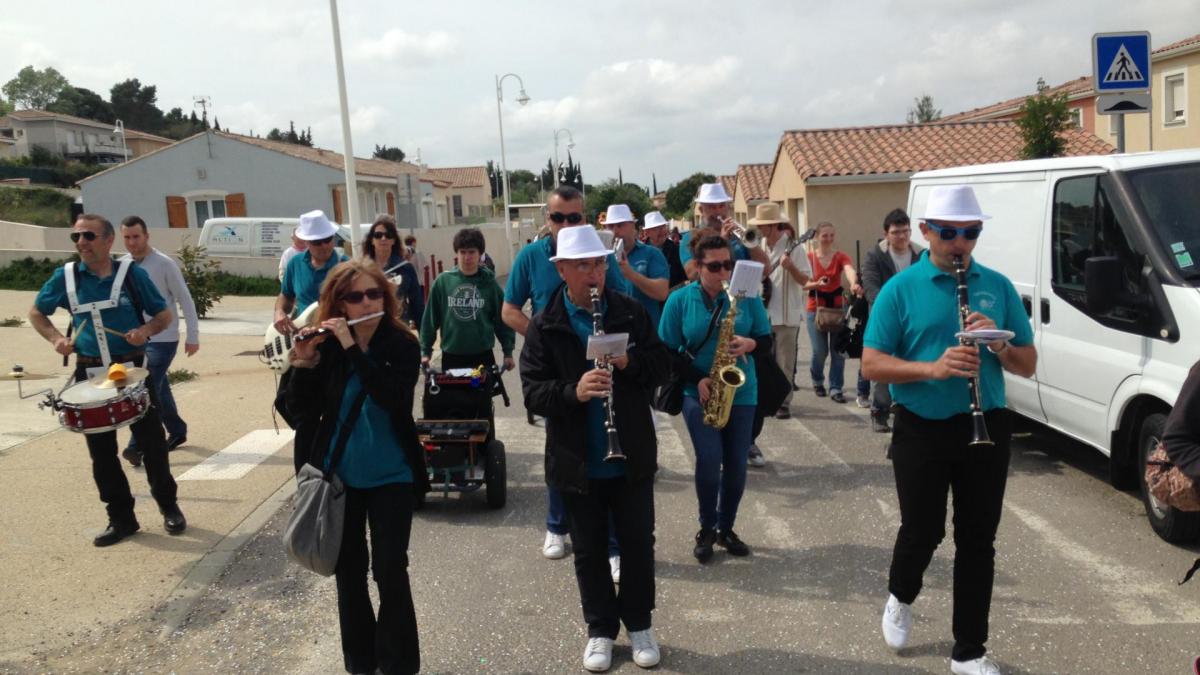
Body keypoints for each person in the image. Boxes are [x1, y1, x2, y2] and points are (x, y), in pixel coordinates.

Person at [862, 185, 1037, 675]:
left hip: (987, 423)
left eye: (971, 233)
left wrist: (999, 346)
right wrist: (934, 369)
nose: (960, 243)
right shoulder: (901, 289)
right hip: (921, 427)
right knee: (922, 530)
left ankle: (969, 650)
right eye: (949, 233)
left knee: (978, 538)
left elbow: (1027, 363)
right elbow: (872, 364)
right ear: (925, 232)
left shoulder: (996, 285)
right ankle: (901, 594)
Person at [519, 226, 669, 672]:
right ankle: (600, 630)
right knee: (587, 550)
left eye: (599, 263)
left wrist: (630, 362)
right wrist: (575, 391)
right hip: (577, 459)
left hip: (631, 455)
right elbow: (532, 391)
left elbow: (660, 365)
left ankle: (639, 624)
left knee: (639, 544)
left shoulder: (627, 312)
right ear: (562, 269)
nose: (594, 273)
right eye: (583, 265)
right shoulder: (546, 324)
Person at [286, 259, 429, 675]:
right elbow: (298, 413)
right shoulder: (325, 346)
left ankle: (398, 665)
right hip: (339, 480)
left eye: (374, 294)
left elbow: (392, 398)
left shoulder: (402, 344)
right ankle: (361, 664)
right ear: (339, 303)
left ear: (385, 298)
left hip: (392, 475)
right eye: (355, 296)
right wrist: (303, 364)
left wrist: (353, 347)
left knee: (389, 569)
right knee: (349, 575)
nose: (366, 301)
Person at [28, 214, 186, 546]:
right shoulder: (67, 277)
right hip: (89, 371)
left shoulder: (132, 275)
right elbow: (36, 313)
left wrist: (144, 331)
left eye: (88, 236)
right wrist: (57, 338)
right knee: (101, 452)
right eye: (76, 237)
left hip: (132, 369)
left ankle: (169, 507)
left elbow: (164, 316)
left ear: (108, 240)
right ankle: (122, 519)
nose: (81, 243)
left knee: (153, 443)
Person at [501, 185, 631, 561]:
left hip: (601, 357)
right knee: (560, 444)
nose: (565, 224)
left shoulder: (597, 254)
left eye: (574, 218)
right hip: (556, 364)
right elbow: (510, 311)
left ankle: (610, 542)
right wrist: (545, 339)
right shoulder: (531, 256)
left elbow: (621, 301)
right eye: (558, 218)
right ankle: (556, 525)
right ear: (548, 220)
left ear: (585, 219)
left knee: (602, 447)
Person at [659, 234, 772, 562]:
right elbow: (666, 350)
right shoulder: (679, 300)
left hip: (742, 390)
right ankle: (707, 527)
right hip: (698, 390)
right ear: (696, 267)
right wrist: (699, 378)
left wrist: (751, 344)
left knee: (736, 465)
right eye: (715, 266)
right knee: (709, 461)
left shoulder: (744, 297)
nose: (724, 272)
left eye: (728, 264)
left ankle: (726, 527)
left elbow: (765, 340)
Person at [118, 216, 200, 466]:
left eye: (136, 236)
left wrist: (192, 336)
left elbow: (184, 299)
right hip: (135, 339)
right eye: (127, 237)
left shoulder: (164, 264)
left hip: (164, 338)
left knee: (144, 383)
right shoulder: (120, 266)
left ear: (146, 236)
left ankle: (137, 445)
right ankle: (177, 430)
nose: (132, 242)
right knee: (158, 386)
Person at [746, 204, 811, 467]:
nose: (761, 229)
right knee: (765, 362)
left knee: (785, 361)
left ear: (775, 226)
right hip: (763, 312)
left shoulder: (796, 248)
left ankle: (783, 402)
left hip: (786, 314)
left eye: (764, 225)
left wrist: (790, 267)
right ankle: (768, 398)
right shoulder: (760, 246)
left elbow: (806, 280)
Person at [861, 208, 923, 432]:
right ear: (886, 234)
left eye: (905, 231)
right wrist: (888, 308)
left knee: (911, 364)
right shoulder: (875, 256)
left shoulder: (921, 255)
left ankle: (907, 409)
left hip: (914, 321)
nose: (902, 236)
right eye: (896, 232)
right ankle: (879, 410)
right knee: (882, 369)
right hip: (884, 321)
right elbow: (870, 285)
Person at [420, 227, 515, 374]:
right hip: (452, 356)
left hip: (482, 356)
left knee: (483, 397)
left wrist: (508, 352)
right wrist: (425, 352)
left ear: (480, 254)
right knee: (453, 397)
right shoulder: (443, 282)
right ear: (456, 253)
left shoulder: (489, 284)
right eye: (462, 252)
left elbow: (502, 321)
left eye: (471, 252)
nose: (467, 257)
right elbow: (430, 320)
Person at [802, 221, 862, 404]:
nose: (828, 239)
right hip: (815, 309)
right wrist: (816, 284)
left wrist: (853, 283)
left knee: (838, 351)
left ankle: (836, 387)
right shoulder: (809, 257)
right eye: (824, 235)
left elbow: (849, 270)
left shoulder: (840, 256)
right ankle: (817, 380)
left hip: (837, 309)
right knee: (820, 351)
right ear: (817, 237)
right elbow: (803, 282)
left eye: (831, 235)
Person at [274, 210, 349, 335]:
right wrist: (279, 312)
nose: (324, 245)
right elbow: (286, 295)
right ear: (306, 242)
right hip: (302, 337)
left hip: (335, 339)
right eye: (317, 242)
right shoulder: (295, 263)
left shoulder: (346, 266)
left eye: (327, 239)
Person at [678, 183, 770, 281]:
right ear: (701, 210)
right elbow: (693, 274)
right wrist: (722, 242)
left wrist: (751, 244)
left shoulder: (738, 235)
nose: (718, 211)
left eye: (722, 206)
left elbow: (766, 269)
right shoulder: (690, 238)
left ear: (728, 207)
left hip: (743, 293)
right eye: (712, 207)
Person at [603, 204, 669, 327]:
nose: (615, 231)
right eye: (611, 226)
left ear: (632, 226)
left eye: (620, 225)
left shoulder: (651, 253)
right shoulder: (601, 258)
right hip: (614, 329)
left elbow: (662, 293)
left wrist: (630, 274)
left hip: (646, 332)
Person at [361, 214, 424, 326]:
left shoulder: (405, 268)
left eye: (388, 235)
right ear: (371, 240)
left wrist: (424, 341)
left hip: (397, 328)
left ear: (394, 240)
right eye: (378, 235)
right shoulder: (361, 268)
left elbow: (417, 306)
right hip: (369, 329)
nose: (383, 238)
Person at [642, 210, 686, 292]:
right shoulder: (640, 252)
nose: (662, 231)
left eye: (663, 227)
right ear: (647, 233)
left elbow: (683, 278)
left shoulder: (676, 250)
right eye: (657, 228)